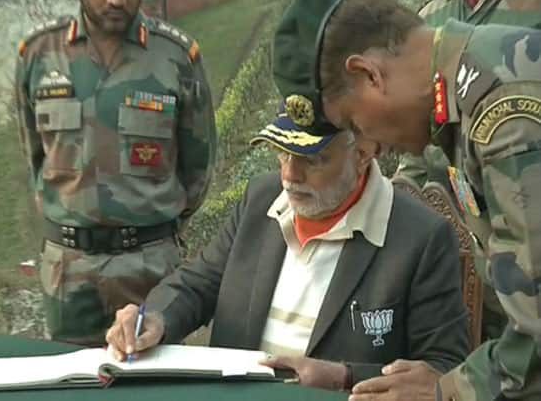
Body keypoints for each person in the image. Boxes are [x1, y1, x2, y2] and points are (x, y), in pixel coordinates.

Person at [272, 0, 540, 401]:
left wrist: (443, 389)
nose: (372, 149)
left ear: (369, 74)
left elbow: (535, 340)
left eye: (355, 124)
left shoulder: (501, 110)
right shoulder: (467, 89)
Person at [105, 109, 469, 392]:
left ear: (362, 153)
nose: (290, 176)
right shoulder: (260, 201)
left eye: (312, 159)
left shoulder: (421, 238)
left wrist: (343, 377)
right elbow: (198, 283)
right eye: (283, 153)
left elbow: (444, 369)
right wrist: (155, 319)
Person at [15, 0, 216, 345]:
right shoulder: (38, 55)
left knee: (157, 387)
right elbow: (35, 157)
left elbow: (198, 170)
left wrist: (146, 223)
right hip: (69, 278)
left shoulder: (175, 57)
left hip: (151, 272)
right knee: (71, 385)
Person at [396, 0, 541, 344]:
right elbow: (416, 145)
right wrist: (404, 197)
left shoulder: (535, 1)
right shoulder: (430, 20)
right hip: (454, 248)